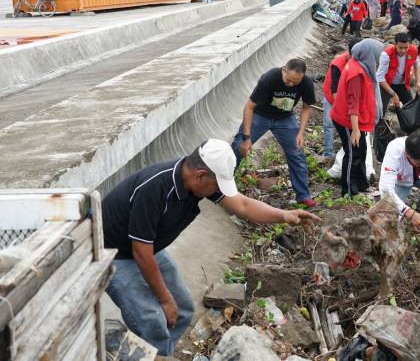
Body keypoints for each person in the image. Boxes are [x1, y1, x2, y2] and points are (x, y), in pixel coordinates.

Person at [103, 140, 320, 356]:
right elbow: (141, 253)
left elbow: (242, 205)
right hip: (114, 253)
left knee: (183, 307)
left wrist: (283, 215)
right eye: (217, 185)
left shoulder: (198, 183)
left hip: (148, 248)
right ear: (200, 175)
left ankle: (161, 353)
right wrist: (164, 299)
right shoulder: (156, 187)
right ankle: (141, 350)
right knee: (151, 318)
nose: (217, 191)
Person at [232, 59, 317, 207]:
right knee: (238, 147)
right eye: (289, 80)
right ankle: (222, 185)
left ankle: (303, 196)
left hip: (285, 118)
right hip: (260, 115)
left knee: (297, 153)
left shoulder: (306, 83)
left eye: (295, 82)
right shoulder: (269, 78)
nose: (291, 85)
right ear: (283, 70)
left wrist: (301, 133)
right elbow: (249, 107)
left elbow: (306, 107)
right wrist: (246, 137)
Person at [331, 39, 384, 196]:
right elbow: (353, 103)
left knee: (362, 150)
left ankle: (361, 184)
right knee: (352, 152)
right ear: (369, 54)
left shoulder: (361, 66)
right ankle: (348, 190)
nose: (378, 60)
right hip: (348, 120)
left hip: (356, 119)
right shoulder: (356, 72)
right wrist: (355, 129)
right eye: (376, 56)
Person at [322, 38, 361, 159]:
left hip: (348, 97)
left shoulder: (361, 61)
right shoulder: (338, 63)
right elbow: (334, 90)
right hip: (332, 97)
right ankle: (328, 152)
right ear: (350, 53)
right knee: (329, 124)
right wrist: (341, 108)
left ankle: (345, 149)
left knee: (348, 124)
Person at [377, 32, 420, 112]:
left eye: (406, 47)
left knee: (410, 107)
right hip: (387, 83)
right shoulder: (386, 54)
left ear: (409, 45)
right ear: (395, 45)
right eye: (400, 47)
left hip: (402, 83)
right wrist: (393, 94)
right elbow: (380, 78)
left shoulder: (413, 50)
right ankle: (380, 122)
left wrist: (418, 82)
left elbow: (416, 67)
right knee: (381, 109)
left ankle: (409, 124)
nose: (403, 50)